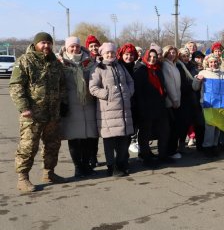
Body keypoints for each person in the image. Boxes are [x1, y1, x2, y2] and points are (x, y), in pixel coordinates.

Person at [10, 32, 67, 192]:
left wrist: (63, 103)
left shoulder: (55, 63)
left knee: (52, 145)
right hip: (33, 114)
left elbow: (62, 85)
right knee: (28, 146)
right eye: (43, 43)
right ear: (36, 44)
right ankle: (23, 178)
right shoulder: (25, 61)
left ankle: (49, 173)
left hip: (52, 114)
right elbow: (16, 85)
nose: (46, 46)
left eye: (49, 43)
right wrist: (24, 107)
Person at [89, 43, 135, 177]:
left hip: (123, 109)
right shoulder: (98, 69)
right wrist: (107, 94)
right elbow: (93, 88)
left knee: (123, 138)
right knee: (109, 141)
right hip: (107, 111)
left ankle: (121, 163)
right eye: (107, 53)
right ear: (102, 54)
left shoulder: (120, 66)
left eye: (112, 53)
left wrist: (128, 92)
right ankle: (111, 166)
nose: (110, 55)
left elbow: (130, 81)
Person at [58, 36, 99, 178]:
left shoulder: (90, 62)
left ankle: (87, 165)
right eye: (72, 46)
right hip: (71, 105)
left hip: (88, 104)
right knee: (74, 138)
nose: (75, 49)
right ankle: (78, 167)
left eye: (77, 46)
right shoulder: (60, 63)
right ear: (67, 47)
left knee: (88, 137)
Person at [133, 46, 173, 166]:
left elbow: (162, 86)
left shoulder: (158, 70)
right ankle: (145, 157)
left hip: (160, 106)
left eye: (154, 57)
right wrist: (142, 108)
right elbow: (138, 92)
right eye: (150, 57)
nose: (152, 59)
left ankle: (162, 155)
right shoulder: (140, 71)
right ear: (145, 57)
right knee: (145, 133)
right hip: (146, 107)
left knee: (164, 131)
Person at [193, 54, 224, 153]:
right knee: (210, 125)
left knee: (218, 125)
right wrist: (198, 79)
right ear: (207, 63)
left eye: (215, 62)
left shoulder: (222, 73)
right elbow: (195, 87)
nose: (213, 64)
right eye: (211, 62)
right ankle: (207, 146)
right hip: (207, 103)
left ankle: (215, 144)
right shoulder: (203, 72)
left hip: (219, 103)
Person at [162, 45, 183, 159]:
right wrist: (174, 99)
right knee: (171, 128)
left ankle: (172, 150)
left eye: (174, 52)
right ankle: (170, 151)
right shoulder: (166, 65)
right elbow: (169, 84)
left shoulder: (174, 65)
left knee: (175, 127)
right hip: (171, 102)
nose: (172, 54)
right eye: (169, 52)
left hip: (176, 100)